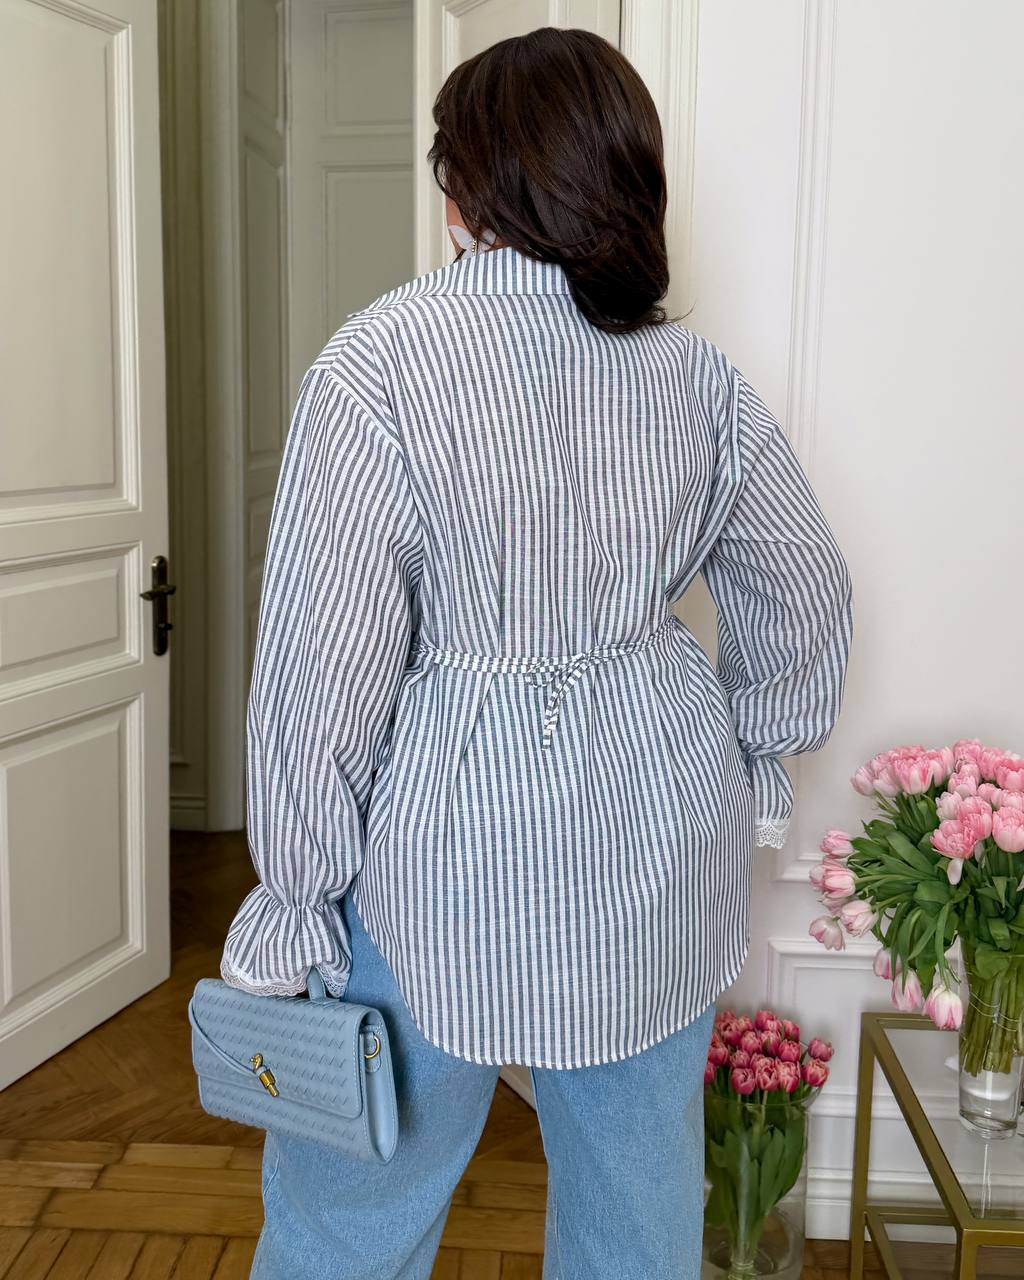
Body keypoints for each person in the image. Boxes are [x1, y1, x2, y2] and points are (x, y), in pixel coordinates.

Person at [219, 26, 854, 1280]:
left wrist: (297, 893)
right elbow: (806, 586)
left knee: (352, 1219)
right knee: (636, 1218)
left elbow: (318, 675)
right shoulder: (692, 376)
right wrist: (752, 750)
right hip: (658, 842)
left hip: (435, 859)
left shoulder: (379, 364)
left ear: (465, 188)